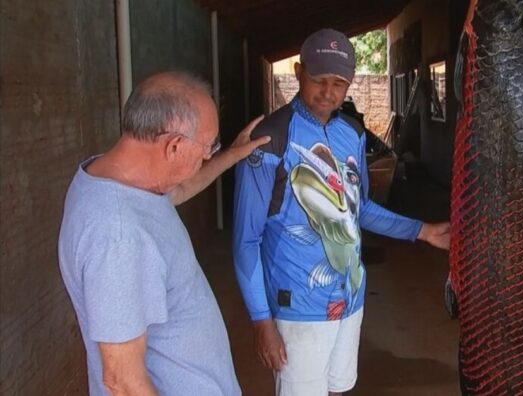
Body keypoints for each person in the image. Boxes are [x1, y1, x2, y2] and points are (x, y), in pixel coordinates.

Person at [233, 28, 450, 396]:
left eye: (339, 83)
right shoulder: (270, 140)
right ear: (300, 72)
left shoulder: (353, 132)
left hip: (349, 298)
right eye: (318, 80)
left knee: (338, 388)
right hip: (296, 307)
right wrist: (261, 321)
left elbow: (359, 208)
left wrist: (422, 230)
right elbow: (245, 239)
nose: (328, 93)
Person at [58, 71, 270, 395]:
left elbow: (180, 190)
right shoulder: (119, 236)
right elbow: (123, 380)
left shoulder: (121, 179)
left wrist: (231, 155)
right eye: (207, 147)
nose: (208, 155)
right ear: (173, 146)